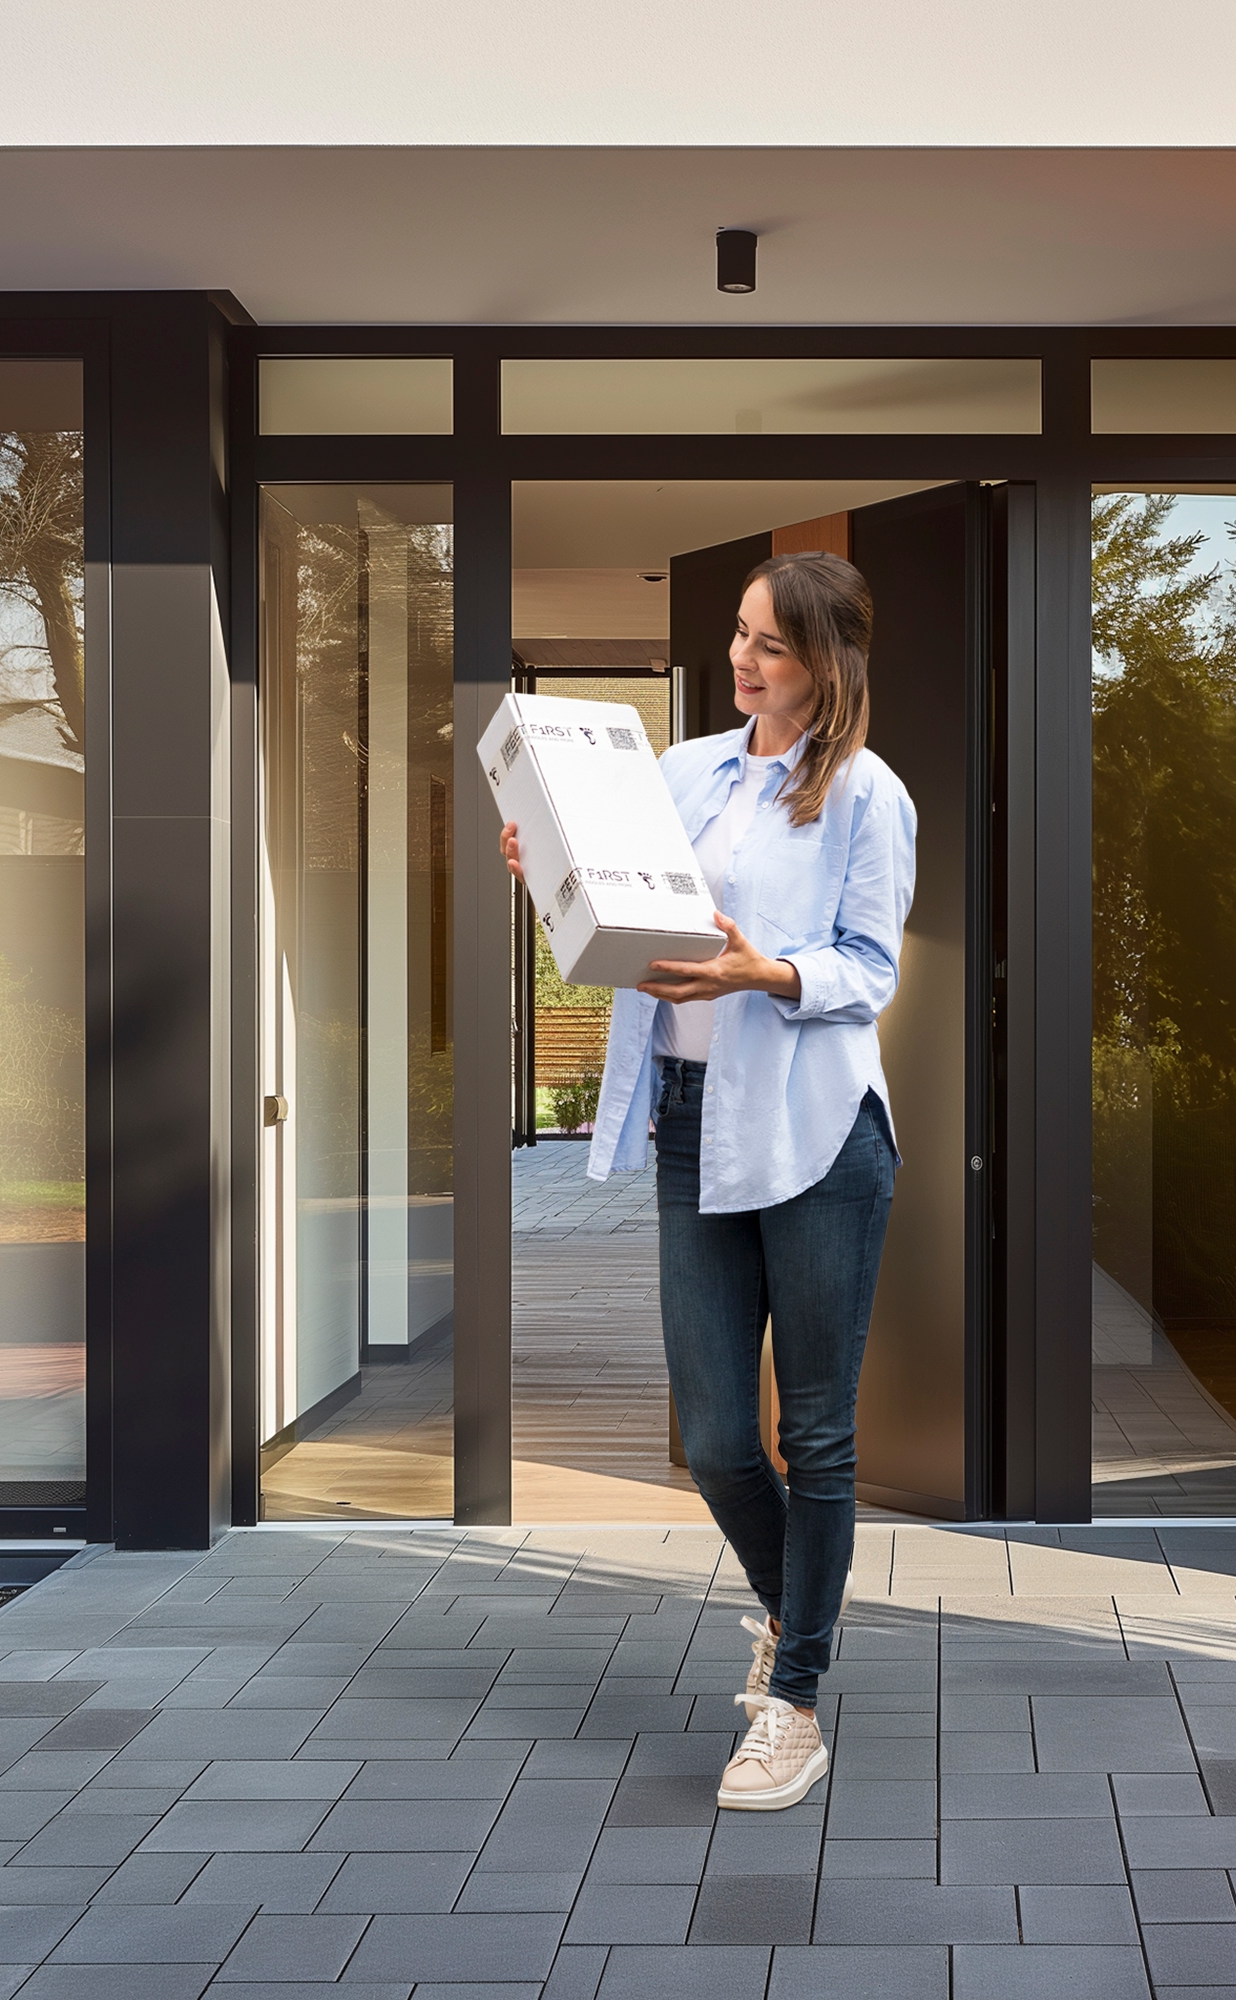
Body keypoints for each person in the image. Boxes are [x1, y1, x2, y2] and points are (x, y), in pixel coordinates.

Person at [502, 550, 915, 1811]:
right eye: (737, 635)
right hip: (695, 1121)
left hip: (816, 1128)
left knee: (818, 1434)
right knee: (723, 1438)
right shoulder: (680, 772)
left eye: (769, 646)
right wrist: (550, 882)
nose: (740, 660)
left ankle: (790, 1701)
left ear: (826, 661)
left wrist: (764, 974)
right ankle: (801, 1615)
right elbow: (624, 930)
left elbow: (866, 969)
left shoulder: (864, 796)